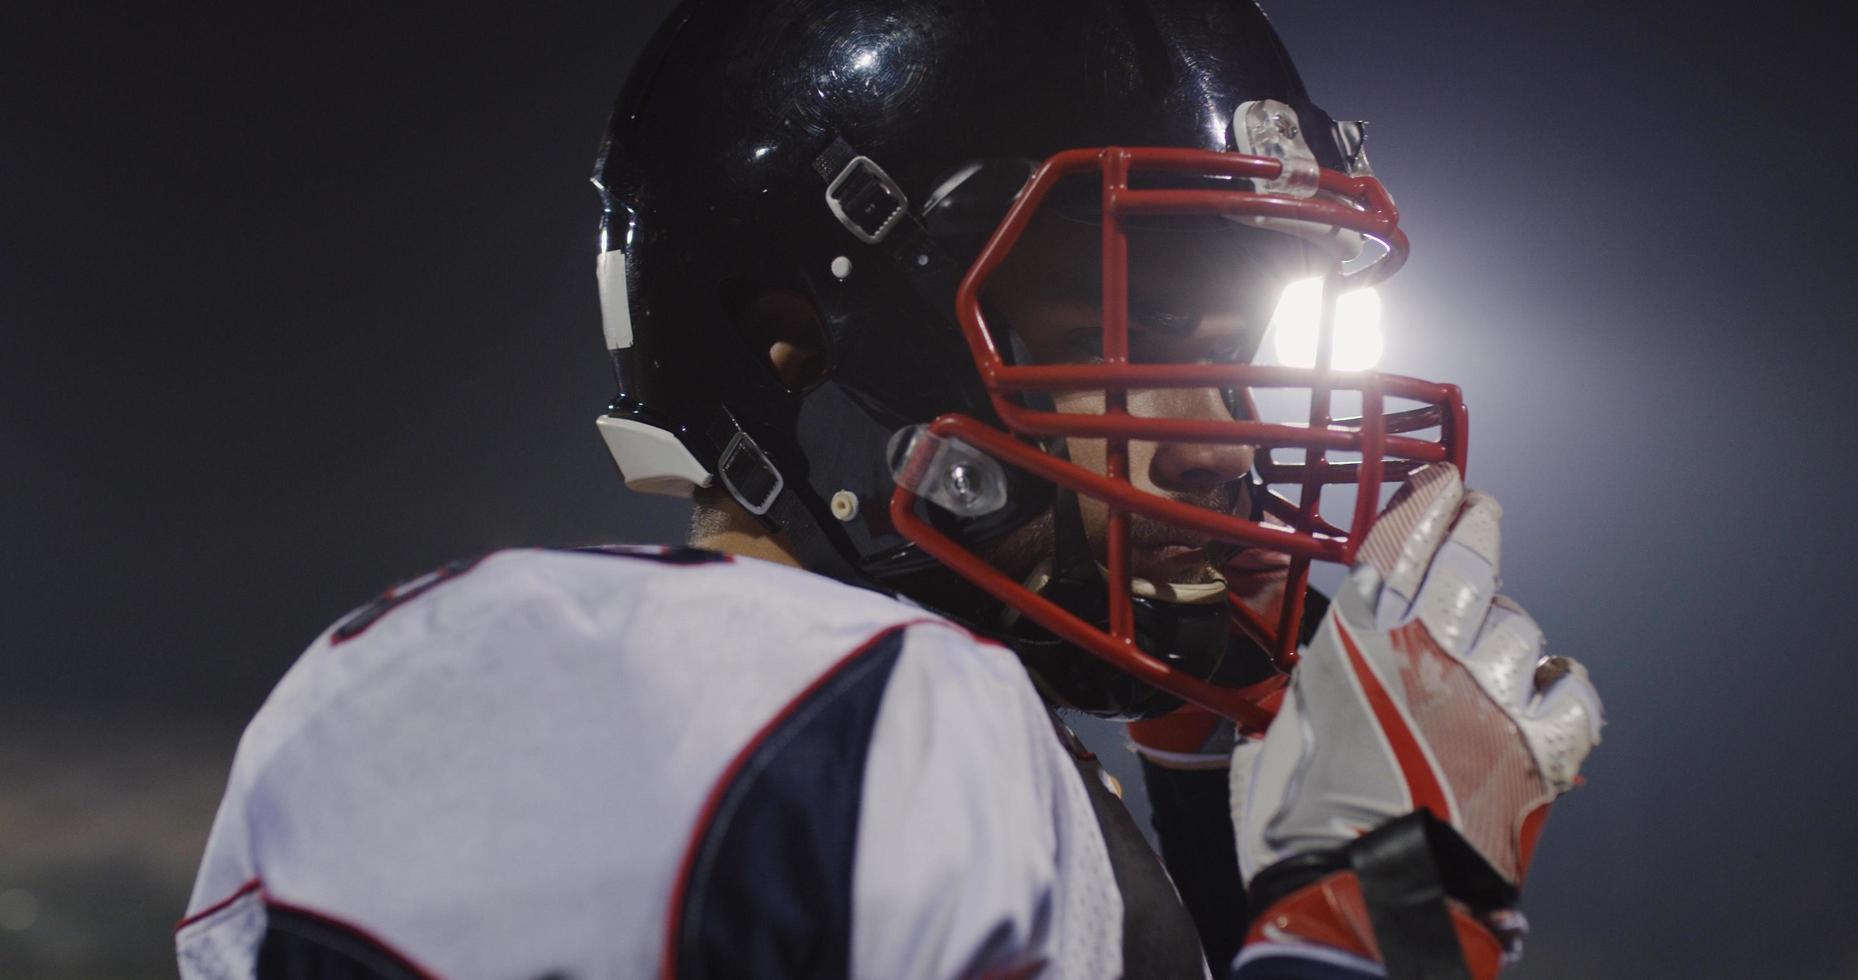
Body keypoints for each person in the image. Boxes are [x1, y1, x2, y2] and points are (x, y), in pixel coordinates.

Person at [176, 1, 1603, 977]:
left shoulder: (953, 741)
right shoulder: (670, 692)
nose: (1226, 438)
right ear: (796, 332)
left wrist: (1217, 810)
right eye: (1145, 334)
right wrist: (1391, 910)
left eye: (1241, 360)